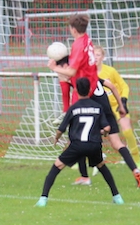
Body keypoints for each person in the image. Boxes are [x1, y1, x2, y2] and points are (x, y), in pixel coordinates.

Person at [48, 13, 140, 188]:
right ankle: (136, 171)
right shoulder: (88, 41)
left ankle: (85, 176)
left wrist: (54, 67)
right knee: (116, 142)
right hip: (102, 96)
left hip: (89, 96)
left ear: (73, 29)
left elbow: (70, 73)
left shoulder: (78, 47)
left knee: (77, 138)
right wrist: (121, 106)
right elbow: (111, 85)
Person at [36, 77, 124, 207]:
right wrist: (102, 133)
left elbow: (61, 129)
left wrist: (57, 138)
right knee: (102, 167)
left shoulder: (74, 108)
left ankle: (43, 199)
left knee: (56, 167)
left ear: (76, 90)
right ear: (90, 89)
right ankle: (117, 197)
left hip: (77, 145)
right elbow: (107, 128)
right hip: (94, 145)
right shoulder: (98, 107)